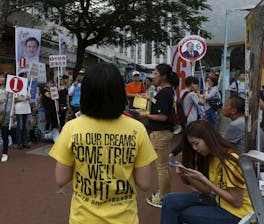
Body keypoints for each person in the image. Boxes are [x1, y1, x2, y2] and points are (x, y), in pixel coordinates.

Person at [49, 62, 157, 224]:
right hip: (125, 219)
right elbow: (145, 183)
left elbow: (61, 178)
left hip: (83, 219)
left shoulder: (72, 127)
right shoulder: (137, 129)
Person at [161, 120, 253, 224]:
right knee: (170, 200)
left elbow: (236, 202)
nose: (195, 148)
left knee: (183, 213)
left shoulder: (229, 161)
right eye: (192, 145)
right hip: (219, 201)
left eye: (196, 143)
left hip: (236, 213)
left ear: (207, 139)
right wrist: (187, 175)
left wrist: (204, 180)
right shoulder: (212, 157)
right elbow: (208, 191)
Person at [139, 64, 179, 207]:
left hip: (160, 133)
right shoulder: (167, 91)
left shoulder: (164, 93)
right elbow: (161, 105)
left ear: (164, 76)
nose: (153, 76)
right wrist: (150, 100)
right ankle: (164, 193)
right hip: (164, 132)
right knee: (163, 166)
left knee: (161, 167)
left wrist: (146, 114)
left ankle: (163, 197)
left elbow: (162, 116)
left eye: (156, 73)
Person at [14, 72, 31, 149]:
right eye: (25, 77)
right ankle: (19, 143)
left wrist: (27, 98)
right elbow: (15, 99)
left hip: (26, 109)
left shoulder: (26, 87)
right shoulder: (16, 87)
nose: (26, 79)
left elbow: (28, 97)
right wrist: (24, 99)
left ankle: (25, 142)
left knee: (25, 127)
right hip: (19, 109)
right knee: (20, 127)